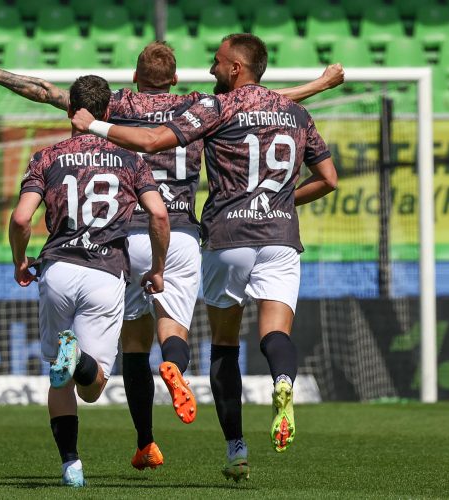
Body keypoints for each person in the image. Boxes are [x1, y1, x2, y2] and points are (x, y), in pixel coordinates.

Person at [0, 44, 343, 470]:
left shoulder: (117, 104)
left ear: (134, 75)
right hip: (176, 231)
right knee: (174, 330)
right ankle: (177, 367)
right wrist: (321, 84)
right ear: (176, 79)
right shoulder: (199, 103)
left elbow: (44, 90)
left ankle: (146, 441)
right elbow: (257, 102)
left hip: (124, 235)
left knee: (133, 343)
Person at [71, 34, 339, 482]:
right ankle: (283, 382)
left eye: (217, 61)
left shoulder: (216, 108)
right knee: (275, 333)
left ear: (235, 68)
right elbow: (328, 179)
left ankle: (232, 447)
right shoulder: (293, 112)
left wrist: (93, 124)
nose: (211, 68)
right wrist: (280, 202)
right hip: (275, 234)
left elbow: (155, 139)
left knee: (220, 346)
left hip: (220, 235)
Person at [8, 74, 170, 487]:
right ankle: (78, 358)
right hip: (105, 272)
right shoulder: (132, 160)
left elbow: (22, 218)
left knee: (57, 377)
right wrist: (157, 268)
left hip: (58, 268)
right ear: (108, 112)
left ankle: (71, 465)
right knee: (92, 386)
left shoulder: (47, 156)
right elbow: (159, 215)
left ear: (70, 110)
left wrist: (18, 262)